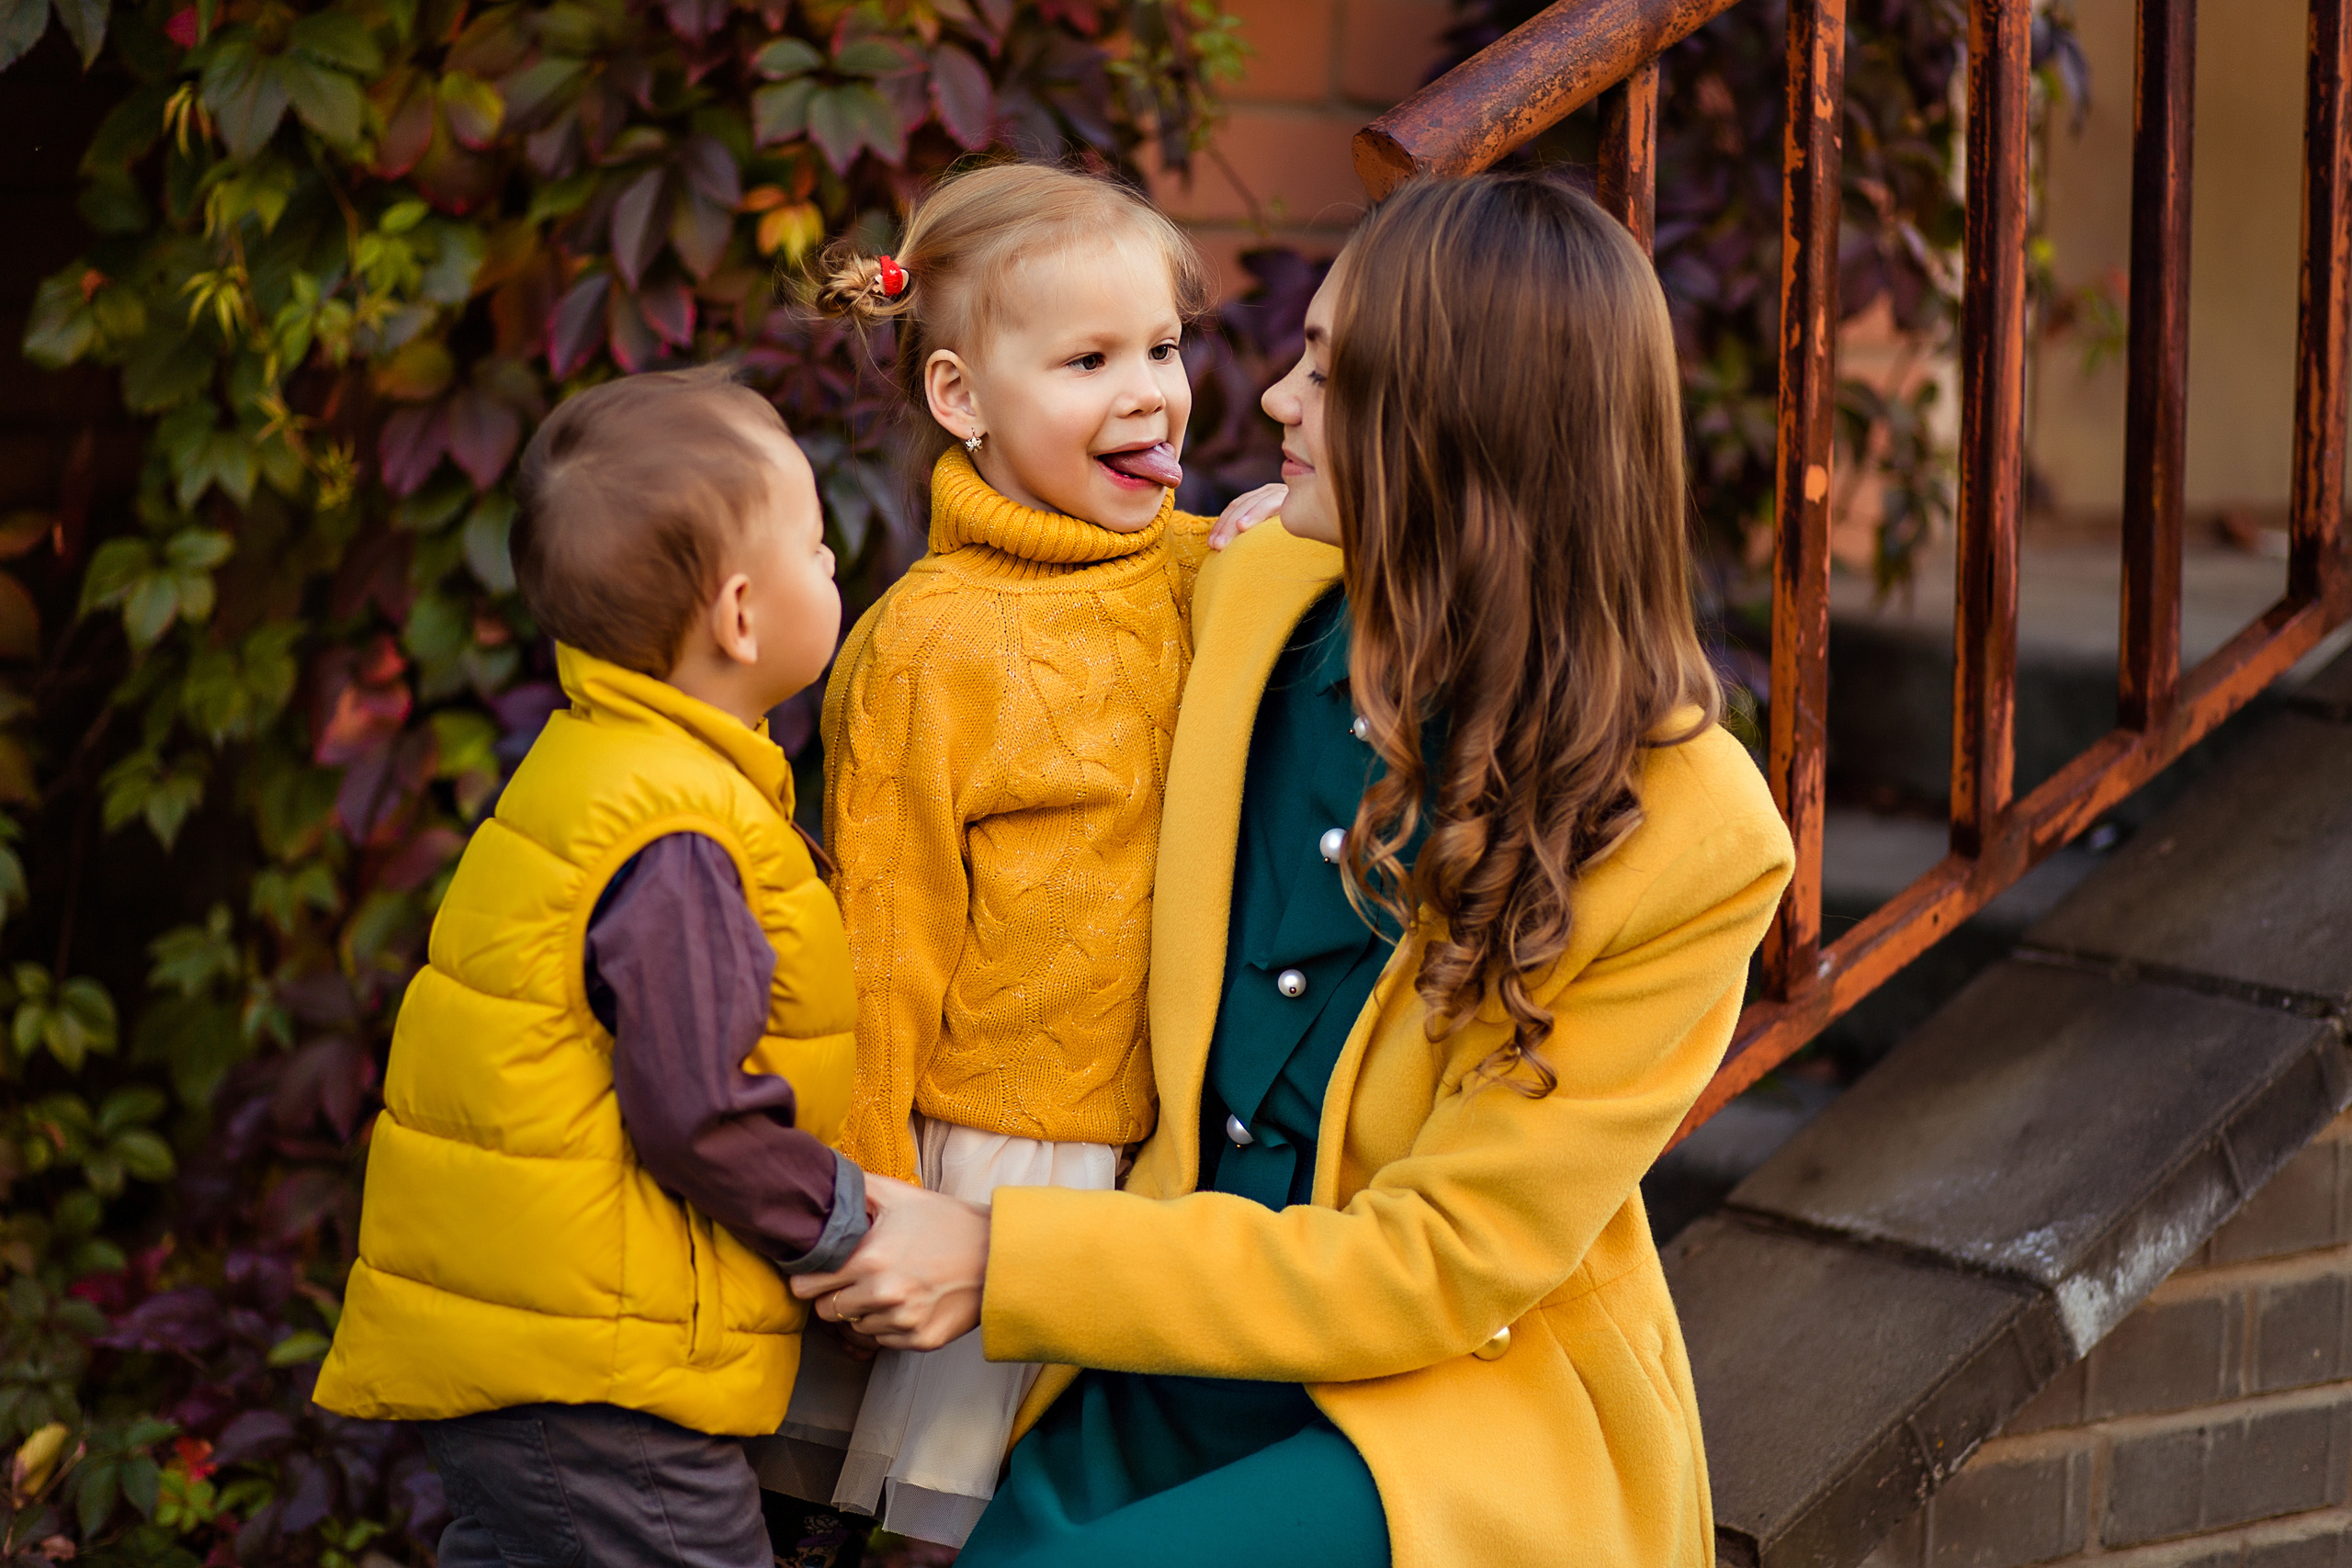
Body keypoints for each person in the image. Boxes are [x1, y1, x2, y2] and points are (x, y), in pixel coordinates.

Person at [789, 172, 1800, 1568]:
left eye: (1325, 373)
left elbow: (1437, 1269)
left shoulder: (1694, 831)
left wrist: (999, 1259)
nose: (1266, 401)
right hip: (1151, 1342)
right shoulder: (1239, 594)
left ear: (1458, 425)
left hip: (1434, 1403)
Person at [312, 367, 867, 1568]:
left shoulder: (598, 768)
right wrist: (844, 1228)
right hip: (603, 1394)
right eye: (817, 548)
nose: (835, 568)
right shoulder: (675, 836)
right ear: (737, 616)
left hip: (549, 1364)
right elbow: (694, 1110)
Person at [750, 160, 1220, 1551]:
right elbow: (885, 942)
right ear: (961, 397)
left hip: (1178, 1150)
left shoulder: (1213, 573)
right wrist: (869, 1190)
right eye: (1088, 359)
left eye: (1163, 345)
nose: (1148, 389)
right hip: (1006, 1157)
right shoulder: (927, 644)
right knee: (951, 1519)